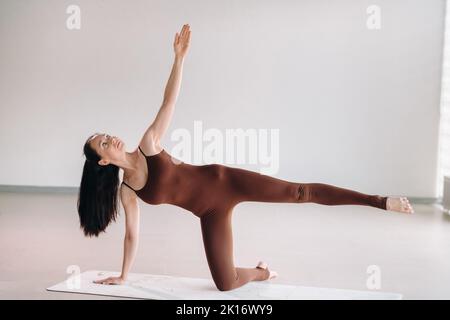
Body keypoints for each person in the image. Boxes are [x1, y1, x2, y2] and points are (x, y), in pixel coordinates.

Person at [77, 24, 414, 292]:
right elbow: (133, 236)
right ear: (103, 162)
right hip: (209, 212)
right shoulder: (128, 191)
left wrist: (179, 59)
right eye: (103, 144)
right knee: (226, 284)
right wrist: (123, 276)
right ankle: (261, 273)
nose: (111, 139)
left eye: (106, 135)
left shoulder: (148, 144)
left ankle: (379, 201)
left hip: (226, 181)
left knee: (300, 193)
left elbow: (169, 103)